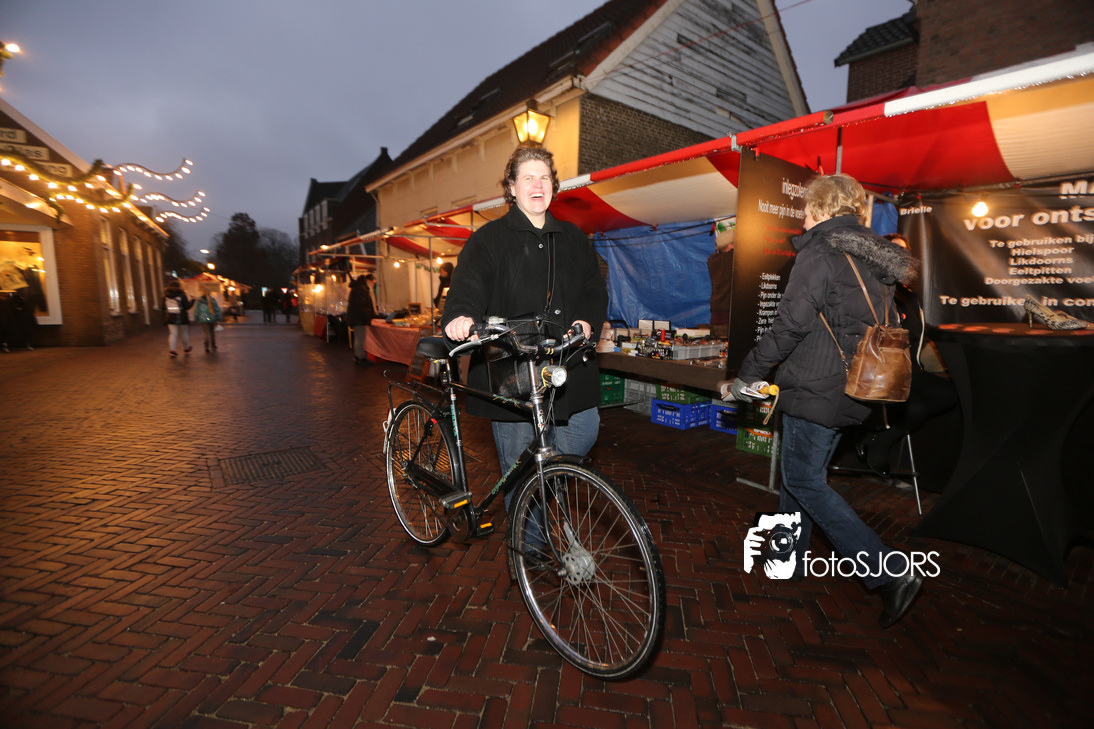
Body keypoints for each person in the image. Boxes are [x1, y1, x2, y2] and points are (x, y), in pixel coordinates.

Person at [729, 173, 924, 628]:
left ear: (819, 208)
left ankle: (890, 572)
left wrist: (749, 373)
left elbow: (789, 326)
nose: (802, 215)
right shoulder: (872, 254)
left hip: (816, 384)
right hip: (854, 386)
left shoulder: (821, 252)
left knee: (803, 479)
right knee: (802, 475)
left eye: (806, 207)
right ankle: (788, 557)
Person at [442, 143, 608, 506]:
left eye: (544, 178)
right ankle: (529, 537)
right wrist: (461, 316)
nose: (537, 185)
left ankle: (548, 489)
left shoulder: (574, 239)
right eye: (528, 178)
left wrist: (586, 319)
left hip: (567, 365)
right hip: (513, 371)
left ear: (553, 186)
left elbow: (593, 288)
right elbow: (468, 283)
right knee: (521, 477)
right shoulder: (488, 239)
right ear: (512, 187)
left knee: (583, 432)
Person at [856, 233, 958, 476]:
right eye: (893, 249)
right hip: (879, 370)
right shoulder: (871, 288)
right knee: (915, 410)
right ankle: (878, 443)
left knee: (949, 395)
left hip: (908, 368)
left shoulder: (908, 294)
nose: (899, 255)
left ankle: (877, 437)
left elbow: (917, 331)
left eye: (904, 251)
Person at [707, 220, 735, 338]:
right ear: (730, 245)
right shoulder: (731, 259)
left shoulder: (712, 260)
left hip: (716, 317)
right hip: (727, 318)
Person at [346, 273, 378, 366]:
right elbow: (362, 306)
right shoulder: (361, 289)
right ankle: (361, 357)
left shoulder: (356, 288)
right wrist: (367, 317)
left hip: (355, 317)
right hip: (359, 318)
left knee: (358, 337)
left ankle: (359, 356)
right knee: (360, 337)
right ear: (366, 281)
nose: (372, 284)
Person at [163, 278, 194, 357]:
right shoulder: (182, 295)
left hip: (170, 317)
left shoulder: (165, 296)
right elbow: (187, 306)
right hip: (182, 317)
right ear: (178, 286)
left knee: (173, 334)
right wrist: (193, 300)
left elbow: (162, 307)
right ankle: (186, 348)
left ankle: (172, 350)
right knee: (184, 333)